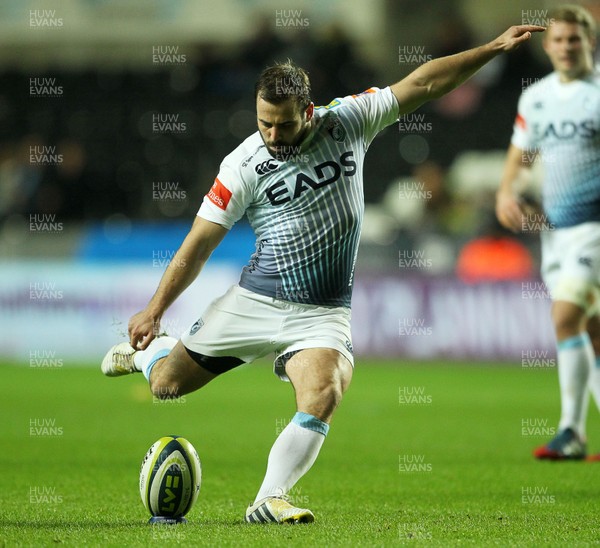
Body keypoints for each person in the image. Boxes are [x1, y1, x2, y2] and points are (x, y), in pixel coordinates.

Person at [102, 24, 543, 523]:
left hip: (322, 312)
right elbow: (198, 243)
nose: (272, 136)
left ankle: (268, 498)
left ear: (308, 111)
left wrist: (490, 49)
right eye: (264, 123)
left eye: (283, 126)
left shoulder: (348, 120)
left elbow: (422, 84)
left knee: (326, 390)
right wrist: (156, 309)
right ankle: (147, 357)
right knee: (166, 386)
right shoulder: (242, 164)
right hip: (256, 300)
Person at [496, 5, 600, 460]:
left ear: (589, 41)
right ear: (547, 45)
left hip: (595, 227)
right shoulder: (535, 98)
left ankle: (571, 432)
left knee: (565, 316)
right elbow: (520, 159)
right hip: (554, 231)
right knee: (592, 330)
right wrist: (505, 193)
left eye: (574, 39)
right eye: (558, 40)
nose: (565, 47)